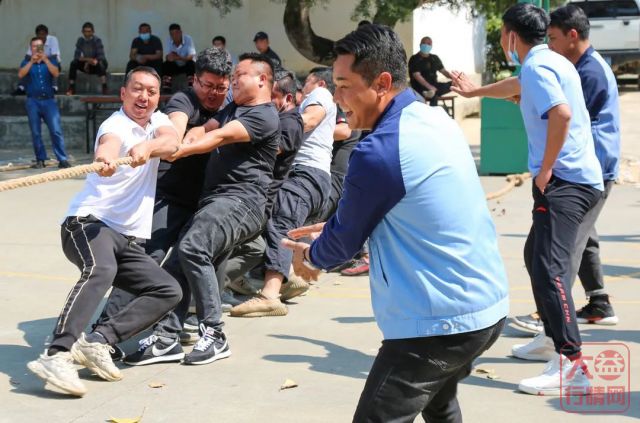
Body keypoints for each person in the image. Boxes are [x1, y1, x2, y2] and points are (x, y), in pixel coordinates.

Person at [282, 24, 508, 421]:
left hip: (440, 324)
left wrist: (310, 256)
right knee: (440, 408)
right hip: (483, 306)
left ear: (382, 82)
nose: (337, 99)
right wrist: (334, 228)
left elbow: (340, 247)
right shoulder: (430, 118)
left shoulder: (380, 150)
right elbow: (401, 208)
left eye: (344, 85)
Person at [451, 3, 604, 396]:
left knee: (550, 270)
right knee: (535, 257)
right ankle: (552, 341)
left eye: (503, 34)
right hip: (579, 179)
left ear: (511, 36)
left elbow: (562, 114)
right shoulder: (547, 62)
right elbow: (517, 87)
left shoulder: (538, 67)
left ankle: (572, 364)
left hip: (565, 182)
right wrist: (478, 91)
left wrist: (546, 169)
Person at [26, 66, 182, 397]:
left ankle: (97, 341)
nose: (144, 97)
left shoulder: (158, 122)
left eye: (151, 91)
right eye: (137, 89)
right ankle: (57, 353)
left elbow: (172, 142)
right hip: (87, 224)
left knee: (167, 289)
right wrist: (107, 159)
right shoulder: (115, 125)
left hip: (125, 239)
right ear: (123, 94)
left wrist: (148, 149)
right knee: (102, 268)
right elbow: (108, 147)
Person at [123, 53, 280, 366]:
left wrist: (176, 151)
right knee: (179, 262)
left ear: (262, 79)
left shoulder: (264, 115)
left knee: (192, 247)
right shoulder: (233, 108)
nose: (232, 81)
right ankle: (167, 338)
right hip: (217, 201)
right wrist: (177, 139)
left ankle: (214, 333)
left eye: (240, 75)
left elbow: (217, 137)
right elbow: (204, 128)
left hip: (242, 201)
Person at [93, 47, 233, 360]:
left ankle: (182, 324)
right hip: (170, 198)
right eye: (208, 86)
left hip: (207, 203)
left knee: (202, 260)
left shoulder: (232, 107)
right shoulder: (184, 101)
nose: (213, 94)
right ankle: (104, 332)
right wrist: (174, 141)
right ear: (195, 80)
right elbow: (175, 127)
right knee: (146, 258)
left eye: (221, 88)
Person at [512, 4, 620, 335]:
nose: (551, 44)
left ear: (573, 36)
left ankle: (553, 321)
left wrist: (545, 168)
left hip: (587, 169)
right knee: (581, 238)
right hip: (591, 167)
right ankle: (599, 302)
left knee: (557, 252)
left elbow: (563, 115)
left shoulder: (586, 71)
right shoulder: (579, 64)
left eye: (554, 38)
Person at [229, 66, 335, 317]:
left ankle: (270, 295)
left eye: (306, 82)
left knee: (280, 224)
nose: (303, 87)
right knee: (275, 225)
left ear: (317, 83)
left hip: (305, 175)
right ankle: (290, 278)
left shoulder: (319, 96)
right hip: (310, 179)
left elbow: (309, 120)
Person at [224, 68, 304, 303]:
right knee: (246, 246)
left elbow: (269, 150)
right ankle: (219, 287)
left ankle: (217, 287)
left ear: (288, 99)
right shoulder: (274, 118)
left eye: (272, 97)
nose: (266, 102)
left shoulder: (290, 123)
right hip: (253, 193)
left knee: (250, 245)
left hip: (262, 197)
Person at [19, 37, 71, 169]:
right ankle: (40, 159)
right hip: (33, 101)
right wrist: (31, 61)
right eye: (34, 47)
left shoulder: (51, 60)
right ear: (31, 48)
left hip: (49, 101)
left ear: (44, 48)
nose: (37, 49)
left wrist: (45, 59)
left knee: (56, 130)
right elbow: (21, 74)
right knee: (36, 132)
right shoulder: (26, 61)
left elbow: (56, 73)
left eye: (39, 46)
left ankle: (62, 159)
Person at [13, 24, 61, 96]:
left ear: (47, 34)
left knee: (53, 62)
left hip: (50, 62)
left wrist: (42, 58)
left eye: (43, 34)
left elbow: (54, 56)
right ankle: (21, 87)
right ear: (36, 35)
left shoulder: (53, 39)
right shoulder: (35, 42)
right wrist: (35, 58)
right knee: (24, 63)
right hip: (38, 62)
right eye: (39, 34)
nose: (41, 37)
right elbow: (27, 56)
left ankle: (54, 87)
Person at [408, 36, 452, 106]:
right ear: (420, 45)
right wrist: (429, 87)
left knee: (453, 85)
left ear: (431, 46)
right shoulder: (414, 59)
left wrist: (456, 79)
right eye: (424, 43)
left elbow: (444, 71)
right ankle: (429, 93)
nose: (426, 45)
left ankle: (430, 93)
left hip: (434, 85)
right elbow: (417, 76)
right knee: (434, 96)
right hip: (419, 86)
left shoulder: (434, 58)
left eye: (428, 43)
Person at [67, 22, 108, 95]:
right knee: (73, 63)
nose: (87, 34)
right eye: (85, 31)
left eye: (89, 32)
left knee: (101, 63)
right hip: (86, 65)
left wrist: (88, 62)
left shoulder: (97, 40)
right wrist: (88, 61)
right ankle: (71, 87)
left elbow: (100, 56)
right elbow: (77, 56)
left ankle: (104, 87)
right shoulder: (80, 40)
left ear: (93, 32)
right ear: (82, 32)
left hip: (96, 65)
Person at [162, 23, 196, 93]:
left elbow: (190, 56)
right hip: (175, 65)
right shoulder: (168, 40)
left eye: (176, 33)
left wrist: (178, 57)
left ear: (181, 32)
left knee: (191, 64)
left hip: (186, 64)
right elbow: (168, 57)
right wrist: (171, 57)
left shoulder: (188, 39)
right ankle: (167, 87)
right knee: (166, 64)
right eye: (172, 34)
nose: (174, 36)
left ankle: (191, 86)